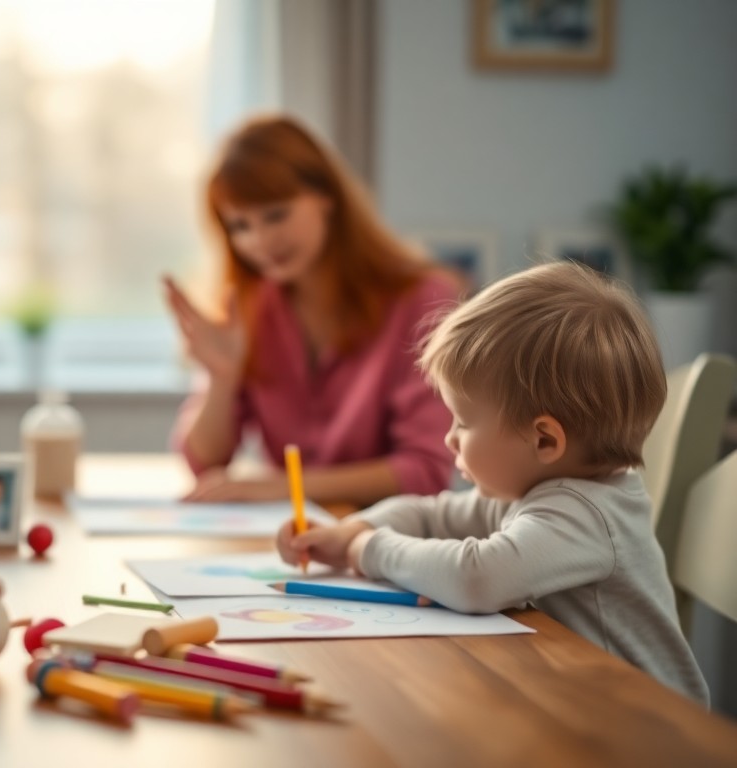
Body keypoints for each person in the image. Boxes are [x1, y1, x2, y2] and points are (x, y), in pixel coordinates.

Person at [278, 262, 708, 704]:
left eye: (463, 422)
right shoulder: (537, 490)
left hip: (651, 728)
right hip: (583, 703)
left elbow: (477, 578)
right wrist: (355, 529)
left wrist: (365, 550)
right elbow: (431, 514)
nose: (449, 438)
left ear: (544, 439)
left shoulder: (586, 513)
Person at [166, 115, 458, 508]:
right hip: (294, 540)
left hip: (388, 543)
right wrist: (222, 379)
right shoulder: (249, 308)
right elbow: (204, 462)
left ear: (326, 197)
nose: (260, 241)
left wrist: (286, 486)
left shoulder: (424, 299)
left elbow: (425, 471)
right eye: (240, 225)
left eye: (275, 214)